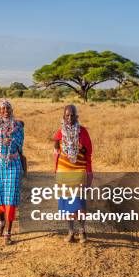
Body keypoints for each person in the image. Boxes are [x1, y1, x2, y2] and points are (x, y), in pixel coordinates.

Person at [0, 99, 25, 245]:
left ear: (11, 110)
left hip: (13, 164)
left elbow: (21, 145)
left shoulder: (18, 126)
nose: (5, 111)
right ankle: (1, 221)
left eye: (7, 109)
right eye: (2, 109)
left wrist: (12, 141)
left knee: (11, 198)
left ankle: (8, 232)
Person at [53, 104, 93, 243]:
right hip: (63, 172)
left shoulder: (83, 132)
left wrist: (89, 172)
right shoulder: (59, 133)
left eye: (72, 115)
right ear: (63, 117)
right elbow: (56, 150)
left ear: (77, 116)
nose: (70, 118)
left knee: (79, 202)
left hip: (79, 171)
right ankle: (70, 232)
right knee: (65, 203)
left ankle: (82, 232)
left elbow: (88, 155)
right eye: (67, 115)